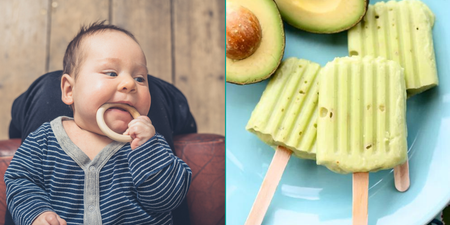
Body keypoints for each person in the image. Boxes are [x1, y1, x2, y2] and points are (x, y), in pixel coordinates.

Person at [5, 21, 194, 225]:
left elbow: (168, 200)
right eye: (111, 73)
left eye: (140, 78)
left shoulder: (149, 146)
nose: (130, 84)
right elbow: (19, 181)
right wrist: (37, 214)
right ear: (69, 90)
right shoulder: (43, 140)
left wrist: (149, 151)